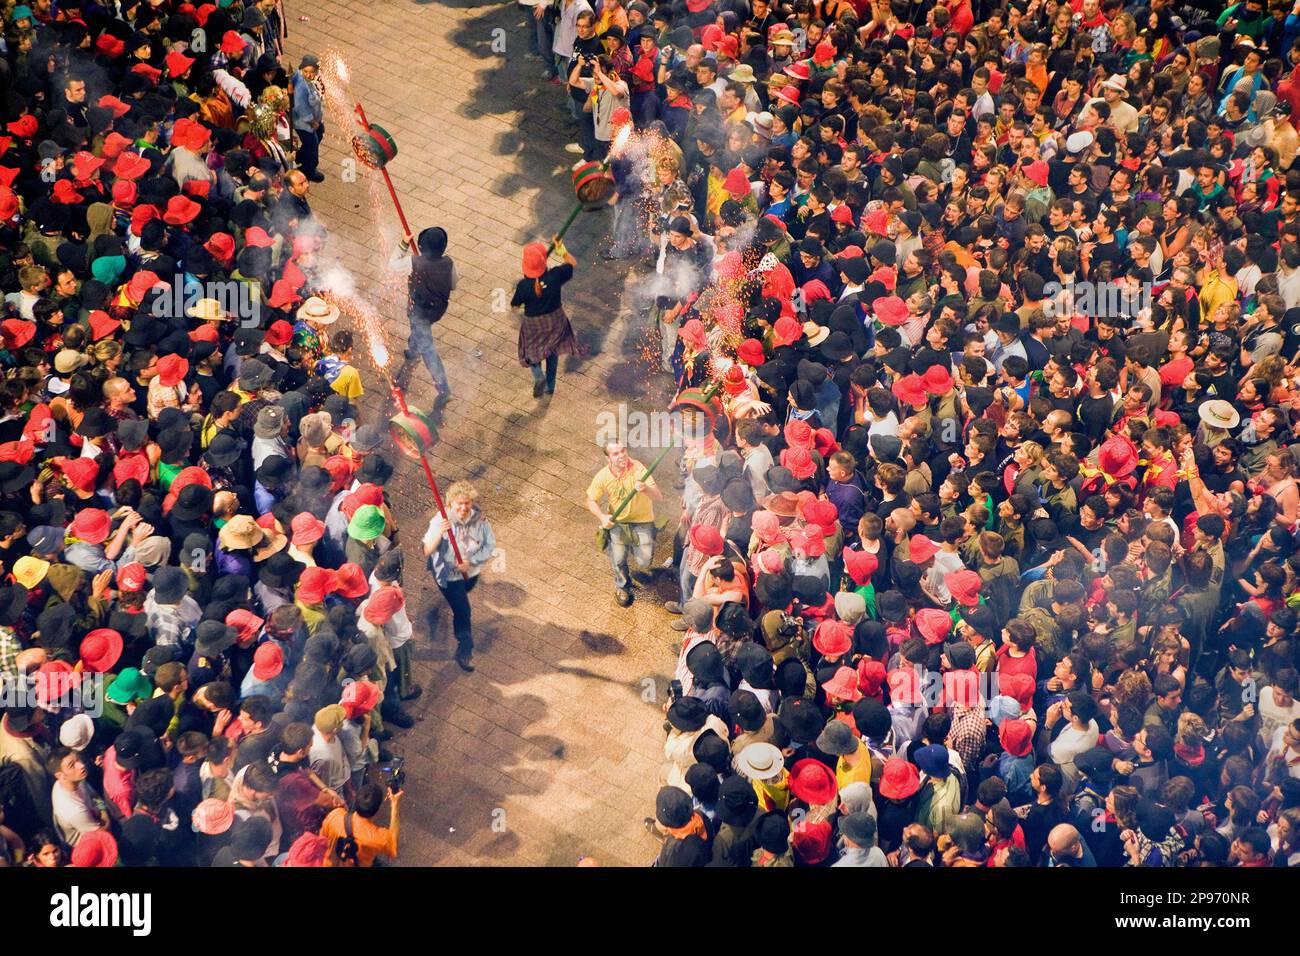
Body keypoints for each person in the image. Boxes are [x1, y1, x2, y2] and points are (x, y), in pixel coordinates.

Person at [422, 482, 497, 672]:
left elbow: (488, 545)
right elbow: (427, 550)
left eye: (467, 503)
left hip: (469, 573)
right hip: (449, 578)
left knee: (467, 590)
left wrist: (471, 562)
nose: (464, 508)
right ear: (449, 505)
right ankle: (465, 647)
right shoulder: (439, 521)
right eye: (459, 504)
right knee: (463, 612)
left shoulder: (479, 519)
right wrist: (440, 533)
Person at [586, 440, 663, 606]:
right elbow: (590, 500)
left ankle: (636, 545)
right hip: (618, 524)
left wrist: (646, 489)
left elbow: (658, 496)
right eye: (616, 453)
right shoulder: (603, 476)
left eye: (623, 451)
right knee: (618, 558)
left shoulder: (639, 469)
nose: (622, 456)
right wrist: (602, 517)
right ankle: (622, 586)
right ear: (608, 458)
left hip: (643, 522)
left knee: (644, 561)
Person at [511, 237, 582, 398]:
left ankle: (538, 376)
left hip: (534, 325)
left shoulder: (523, 286)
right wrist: (561, 250)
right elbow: (572, 263)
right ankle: (550, 386)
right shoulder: (556, 276)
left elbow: (515, 305)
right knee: (552, 352)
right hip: (555, 321)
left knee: (531, 352)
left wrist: (523, 305)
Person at [400, 226, 457, 406]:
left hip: (420, 312)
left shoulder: (414, 263)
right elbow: (454, 284)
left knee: (428, 349)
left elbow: (391, 264)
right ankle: (412, 350)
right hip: (437, 310)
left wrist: (403, 244)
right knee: (417, 331)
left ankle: (443, 388)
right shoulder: (448, 263)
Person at [318, 781, 402, 867]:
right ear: (377, 810)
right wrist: (395, 804)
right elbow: (393, 843)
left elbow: (321, 840)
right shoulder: (378, 838)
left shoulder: (334, 815)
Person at [290, 54, 325, 182]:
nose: (309, 75)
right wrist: (311, 121)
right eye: (306, 72)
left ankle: (300, 156)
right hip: (305, 124)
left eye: (312, 72)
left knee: (319, 133)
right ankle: (309, 170)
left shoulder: (310, 81)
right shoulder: (301, 86)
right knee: (312, 146)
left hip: (315, 120)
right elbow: (301, 107)